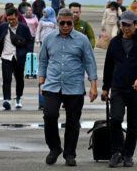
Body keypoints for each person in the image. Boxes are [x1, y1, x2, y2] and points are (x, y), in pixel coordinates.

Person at [39, 8, 98, 166]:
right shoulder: (49, 39)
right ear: (57, 22)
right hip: (52, 85)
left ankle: (70, 154)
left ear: (73, 22)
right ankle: (54, 148)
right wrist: (41, 81)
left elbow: (90, 62)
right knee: (49, 116)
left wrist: (93, 85)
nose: (65, 26)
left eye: (68, 23)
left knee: (73, 122)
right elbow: (43, 60)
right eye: (62, 23)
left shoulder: (82, 40)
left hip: (74, 87)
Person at [102, 11, 137, 168]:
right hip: (118, 88)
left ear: (136, 25)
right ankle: (116, 152)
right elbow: (109, 66)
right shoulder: (114, 42)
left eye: (129, 25)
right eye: (123, 25)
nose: (126, 28)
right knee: (115, 119)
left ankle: (128, 155)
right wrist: (105, 88)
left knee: (133, 125)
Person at [0, 8, 34, 110]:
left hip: (19, 57)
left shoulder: (24, 28)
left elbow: (29, 41)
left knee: (19, 79)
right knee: (7, 79)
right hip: (6, 57)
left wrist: (28, 54)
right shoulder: (3, 26)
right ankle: (7, 100)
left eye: (13, 19)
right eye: (9, 19)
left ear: (17, 17)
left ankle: (18, 98)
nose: (11, 21)